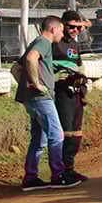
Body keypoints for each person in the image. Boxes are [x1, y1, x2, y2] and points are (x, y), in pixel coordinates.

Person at [16, 16, 81, 191]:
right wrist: (36, 84)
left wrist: (26, 86)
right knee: (56, 135)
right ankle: (58, 175)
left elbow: (16, 68)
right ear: (53, 29)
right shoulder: (43, 42)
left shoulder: (36, 43)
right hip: (41, 99)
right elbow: (30, 58)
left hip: (31, 98)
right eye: (61, 30)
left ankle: (30, 178)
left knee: (39, 139)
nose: (62, 34)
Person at [52, 10, 90, 181]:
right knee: (65, 132)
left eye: (79, 28)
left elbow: (79, 65)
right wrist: (57, 77)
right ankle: (60, 172)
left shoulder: (75, 44)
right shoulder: (54, 43)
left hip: (76, 92)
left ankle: (70, 168)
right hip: (61, 92)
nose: (75, 30)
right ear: (63, 25)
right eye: (72, 27)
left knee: (76, 133)